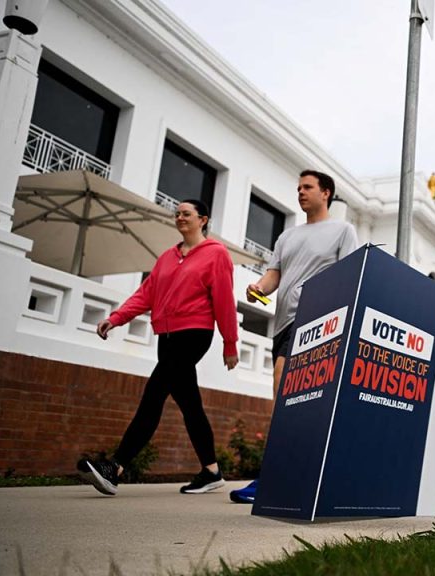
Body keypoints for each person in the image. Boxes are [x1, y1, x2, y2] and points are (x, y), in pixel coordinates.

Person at [77, 199, 239, 496]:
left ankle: (116, 468)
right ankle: (212, 471)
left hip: (194, 333)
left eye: (186, 214)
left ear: (203, 219)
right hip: (166, 337)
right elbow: (145, 295)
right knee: (191, 405)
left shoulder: (216, 255)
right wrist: (116, 318)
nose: (180, 217)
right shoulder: (166, 258)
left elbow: (225, 301)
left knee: (153, 396)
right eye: (176, 214)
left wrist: (230, 342)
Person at [230, 169, 358, 504]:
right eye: (298, 187)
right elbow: (275, 276)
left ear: (326, 193)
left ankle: (272, 477)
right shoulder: (287, 237)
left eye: (308, 187)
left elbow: (350, 277)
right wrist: (259, 287)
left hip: (318, 321)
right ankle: (302, 474)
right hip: (283, 324)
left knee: (284, 389)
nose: (300, 192)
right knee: (290, 400)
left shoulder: (343, 231)